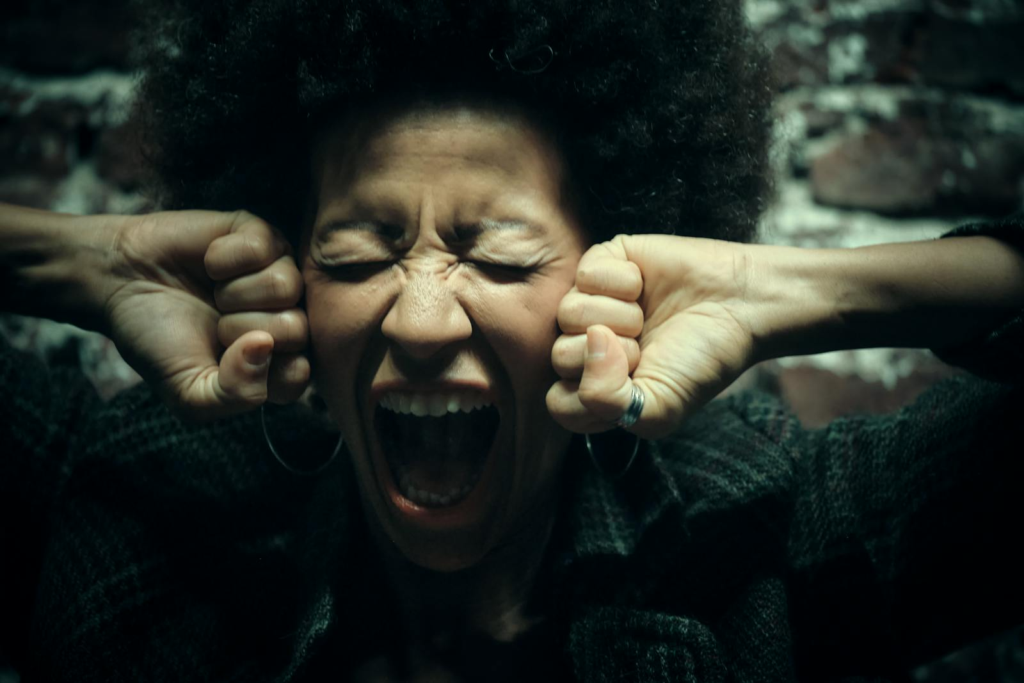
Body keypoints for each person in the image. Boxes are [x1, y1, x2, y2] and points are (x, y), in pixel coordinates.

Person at [1, 1, 1023, 681]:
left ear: (610, 271)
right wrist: (67, 261)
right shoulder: (147, 500)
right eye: (359, 253)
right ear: (290, 275)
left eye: (497, 257)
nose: (422, 319)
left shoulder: (762, 540)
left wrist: (811, 286)